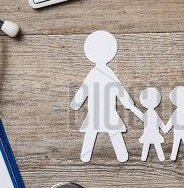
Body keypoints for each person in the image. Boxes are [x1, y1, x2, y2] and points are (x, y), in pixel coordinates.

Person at [70, 31, 136, 162]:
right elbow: (116, 88)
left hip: (103, 111)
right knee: (99, 131)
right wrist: (127, 102)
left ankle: (90, 156)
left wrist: (76, 103)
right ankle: (89, 156)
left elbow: (116, 88)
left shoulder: (100, 73)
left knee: (100, 131)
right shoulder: (102, 73)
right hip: (100, 111)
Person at [131, 87, 167, 161]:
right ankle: (147, 158)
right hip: (150, 134)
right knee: (149, 145)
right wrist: (132, 108)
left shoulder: (152, 114)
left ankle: (156, 158)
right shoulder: (151, 114)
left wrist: (132, 108)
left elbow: (141, 116)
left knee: (152, 145)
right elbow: (162, 126)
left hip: (153, 134)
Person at [165, 86, 184, 161]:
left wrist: (166, 128)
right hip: (182, 131)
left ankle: (175, 156)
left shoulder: (179, 111)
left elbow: (171, 121)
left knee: (179, 144)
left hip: (181, 131)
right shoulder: (183, 111)